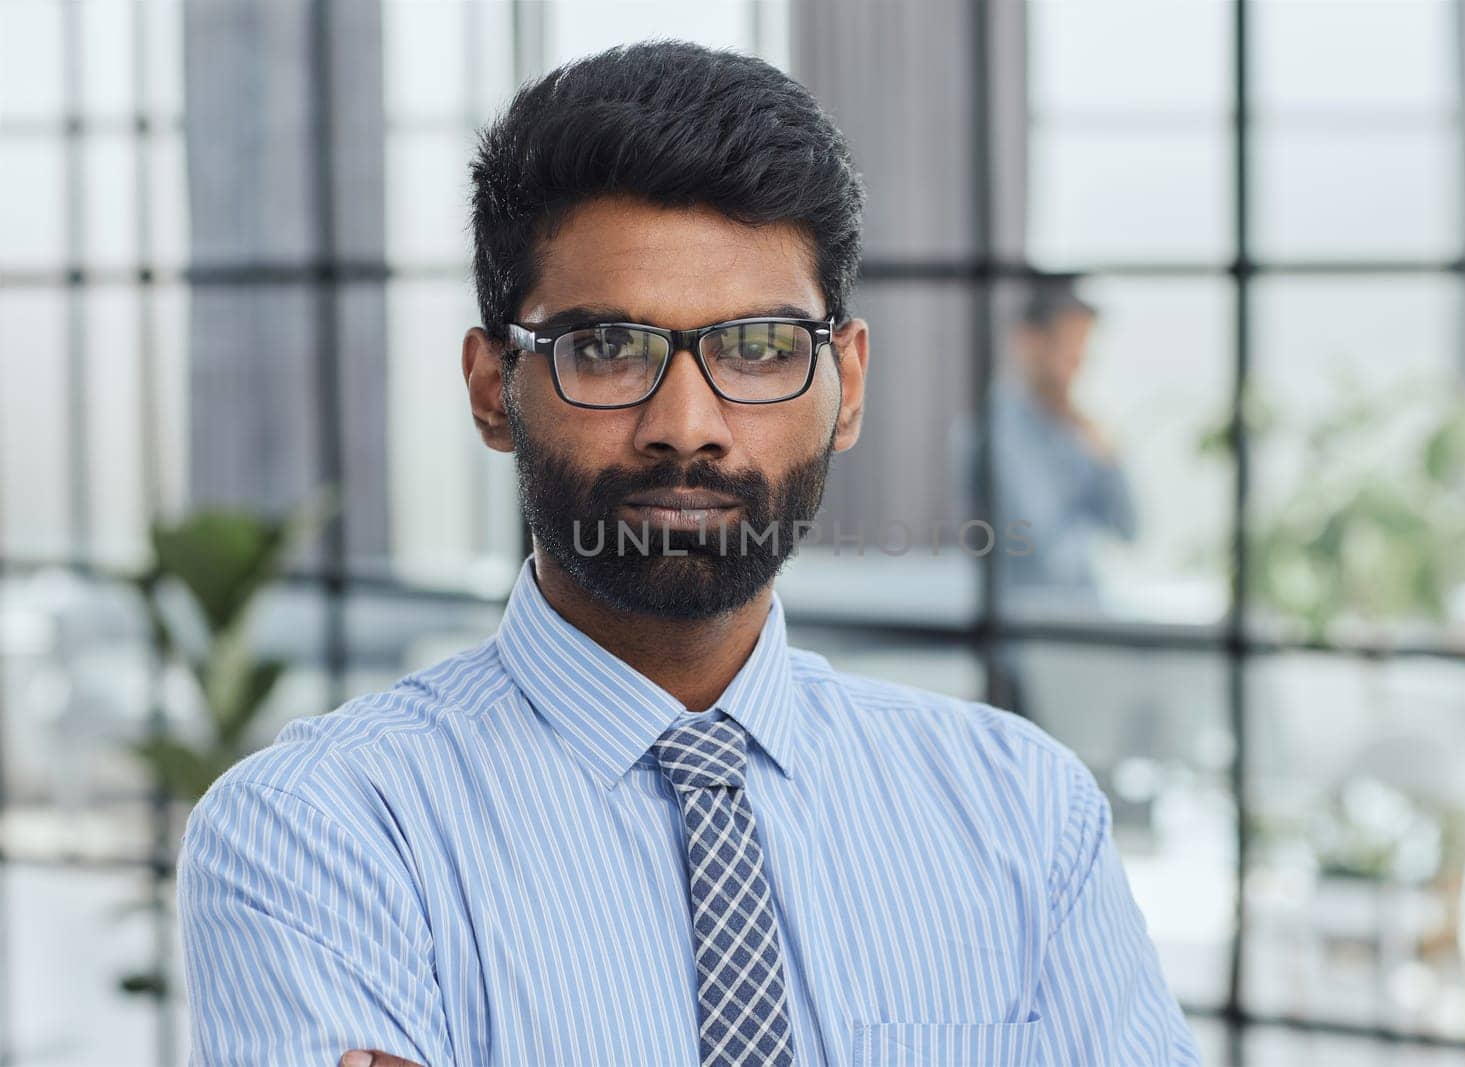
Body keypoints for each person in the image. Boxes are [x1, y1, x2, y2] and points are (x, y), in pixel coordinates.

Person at [177, 41, 1199, 1067]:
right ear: (493, 387)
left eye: (757, 347)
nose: (686, 424)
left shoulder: (1022, 811)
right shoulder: (321, 833)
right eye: (607, 347)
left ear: (845, 382)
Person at [949, 279, 1138, 608]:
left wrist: (1110, 459)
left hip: (1082, 611)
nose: (1079, 364)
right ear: (1029, 342)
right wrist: (1091, 535)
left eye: (1084, 349)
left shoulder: (1078, 431)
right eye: (1070, 347)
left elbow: (1131, 529)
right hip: (1022, 620)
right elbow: (1042, 545)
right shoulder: (993, 432)